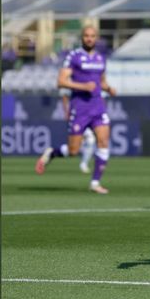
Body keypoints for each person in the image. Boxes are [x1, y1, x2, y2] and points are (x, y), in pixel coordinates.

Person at [36, 26, 116, 194]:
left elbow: (101, 81)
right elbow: (61, 82)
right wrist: (82, 86)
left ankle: (95, 183)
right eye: (86, 36)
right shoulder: (74, 56)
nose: (89, 38)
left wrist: (108, 88)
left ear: (96, 38)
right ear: (82, 38)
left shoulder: (101, 58)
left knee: (103, 141)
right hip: (79, 107)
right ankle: (52, 153)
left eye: (92, 36)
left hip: (98, 106)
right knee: (73, 151)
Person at [59, 87, 96, 173]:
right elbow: (64, 95)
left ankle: (84, 164)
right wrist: (66, 111)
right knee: (73, 151)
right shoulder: (75, 79)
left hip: (90, 115)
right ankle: (54, 152)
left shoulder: (93, 79)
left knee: (90, 140)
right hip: (77, 116)